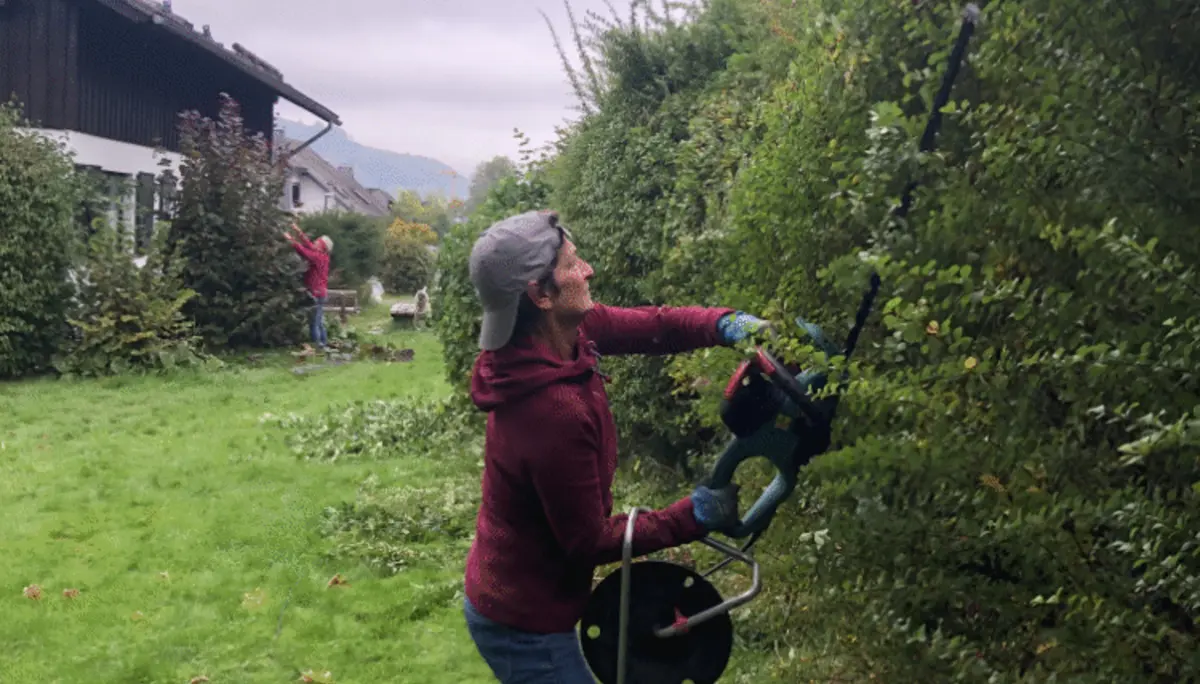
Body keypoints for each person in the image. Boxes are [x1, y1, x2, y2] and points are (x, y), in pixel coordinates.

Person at [461, 209, 772, 683]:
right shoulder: (549, 413)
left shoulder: (565, 334)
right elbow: (587, 541)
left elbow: (658, 326)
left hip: (535, 595)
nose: (588, 270)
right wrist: (692, 515)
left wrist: (725, 324)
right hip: (523, 623)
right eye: (572, 264)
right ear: (541, 294)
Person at [283, 222, 333, 350]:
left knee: (314, 323)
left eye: (317, 242)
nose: (314, 242)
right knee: (319, 321)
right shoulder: (323, 256)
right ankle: (323, 344)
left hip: (316, 293)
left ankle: (318, 347)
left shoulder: (317, 257)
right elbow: (308, 244)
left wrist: (290, 239)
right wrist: (298, 230)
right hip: (321, 293)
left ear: (322, 247)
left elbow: (303, 250)